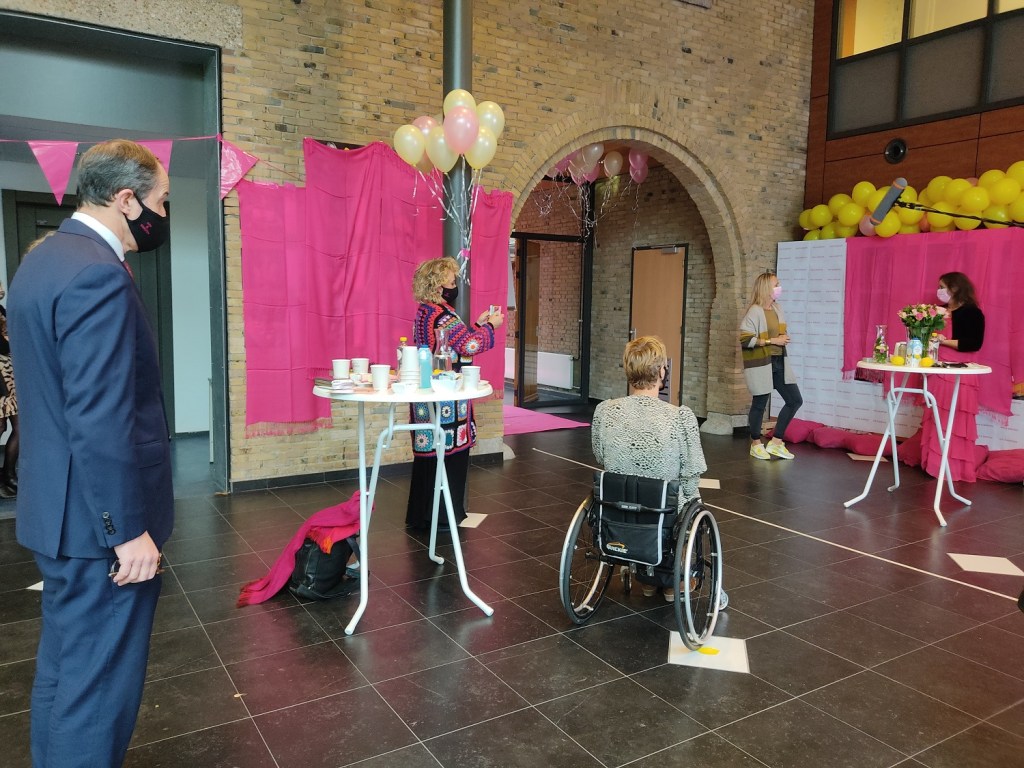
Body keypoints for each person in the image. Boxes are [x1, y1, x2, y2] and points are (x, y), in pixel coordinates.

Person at [8, 139, 174, 768]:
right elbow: (100, 416)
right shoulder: (98, 273)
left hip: (54, 509)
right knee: (99, 689)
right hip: (95, 524)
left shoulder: (43, 261)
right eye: (161, 201)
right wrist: (125, 530)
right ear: (126, 199)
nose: (162, 215)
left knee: (64, 671)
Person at [591, 336, 727, 608]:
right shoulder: (680, 417)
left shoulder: (605, 412)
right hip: (664, 509)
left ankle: (647, 580)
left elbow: (601, 455)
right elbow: (692, 472)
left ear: (628, 370)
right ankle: (674, 579)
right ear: (662, 371)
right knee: (690, 498)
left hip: (620, 505)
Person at [405, 256, 503, 531]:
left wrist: (477, 325)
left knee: (428, 456)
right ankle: (444, 516)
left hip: (427, 390)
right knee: (449, 455)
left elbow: (453, 343)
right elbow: (468, 345)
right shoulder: (444, 315)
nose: (454, 285)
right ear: (438, 286)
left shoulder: (426, 311)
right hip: (446, 394)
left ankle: (422, 515)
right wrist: (491, 326)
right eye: (451, 281)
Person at [920, 271, 985, 482]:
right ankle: (932, 464)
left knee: (955, 420)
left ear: (955, 288)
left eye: (942, 286)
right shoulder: (940, 311)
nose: (938, 291)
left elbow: (973, 343)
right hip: (938, 370)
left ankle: (952, 467)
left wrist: (942, 340)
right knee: (936, 416)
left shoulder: (972, 313)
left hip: (959, 372)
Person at [740, 271, 803, 460]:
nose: (779, 288)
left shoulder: (777, 308)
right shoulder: (755, 311)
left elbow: (780, 332)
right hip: (761, 363)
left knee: (795, 400)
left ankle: (776, 442)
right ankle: (755, 444)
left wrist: (783, 338)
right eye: (776, 284)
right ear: (766, 288)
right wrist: (773, 341)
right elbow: (745, 339)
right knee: (760, 403)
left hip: (778, 361)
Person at [0, 279, 19, 497]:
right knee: (2, 427)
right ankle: (7, 476)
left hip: (9, 375)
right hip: (2, 378)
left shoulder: (1, 310)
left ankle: (9, 475)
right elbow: (4, 345)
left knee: (18, 427)